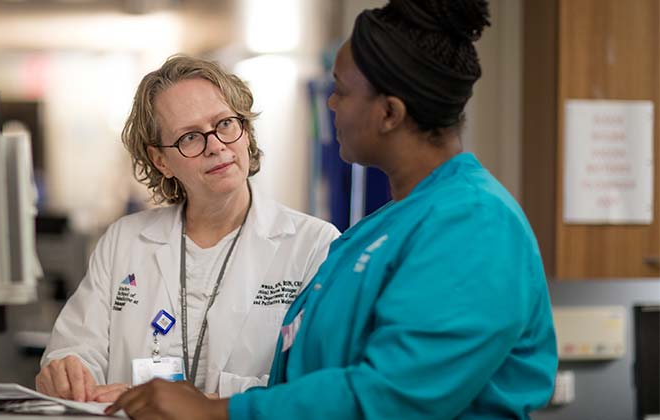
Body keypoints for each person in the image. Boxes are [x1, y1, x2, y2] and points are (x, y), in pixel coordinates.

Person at [105, 0, 559, 419]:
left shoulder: (475, 225)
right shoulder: (375, 231)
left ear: (389, 113)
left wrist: (216, 412)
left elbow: (392, 397)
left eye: (341, 90)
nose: (331, 103)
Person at [35, 56, 340, 402]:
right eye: (190, 137)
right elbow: (75, 351)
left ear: (246, 130)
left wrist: (198, 403)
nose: (215, 145)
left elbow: (318, 384)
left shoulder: (314, 245)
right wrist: (67, 373)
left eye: (225, 124)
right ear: (160, 160)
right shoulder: (125, 241)